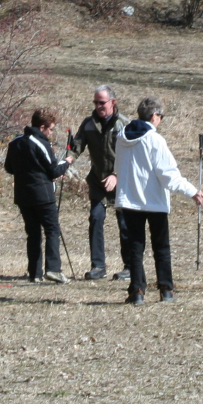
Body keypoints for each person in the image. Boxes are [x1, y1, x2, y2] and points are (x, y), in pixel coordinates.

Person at [113, 97, 203, 305]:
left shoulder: (121, 138)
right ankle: (166, 289)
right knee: (161, 247)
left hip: (129, 200)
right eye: (160, 117)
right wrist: (192, 191)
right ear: (154, 116)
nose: (160, 120)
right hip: (154, 201)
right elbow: (168, 175)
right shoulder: (155, 140)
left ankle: (136, 290)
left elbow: (118, 167)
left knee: (135, 247)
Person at [4, 108, 77, 283]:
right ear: (42, 127)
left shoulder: (15, 142)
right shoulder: (40, 143)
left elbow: (9, 168)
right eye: (50, 129)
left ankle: (35, 273)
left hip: (23, 196)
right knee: (52, 230)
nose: (51, 132)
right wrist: (67, 162)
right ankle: (53, 269)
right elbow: (54, 170)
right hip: (43, 195)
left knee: (33, 233)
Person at [69, 85, 130, 281]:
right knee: (95, 218)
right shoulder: (88, 124)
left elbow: (131, 157)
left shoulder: (124, 125)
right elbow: (76, 146)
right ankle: (98, 267)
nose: (98, 106)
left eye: (101, 102)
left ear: (113, 102)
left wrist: (116, 175)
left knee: (125, 223)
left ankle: (129, 267)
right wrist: (65, 162)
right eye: (95, 102)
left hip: (122, 181)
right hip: (97, 181)